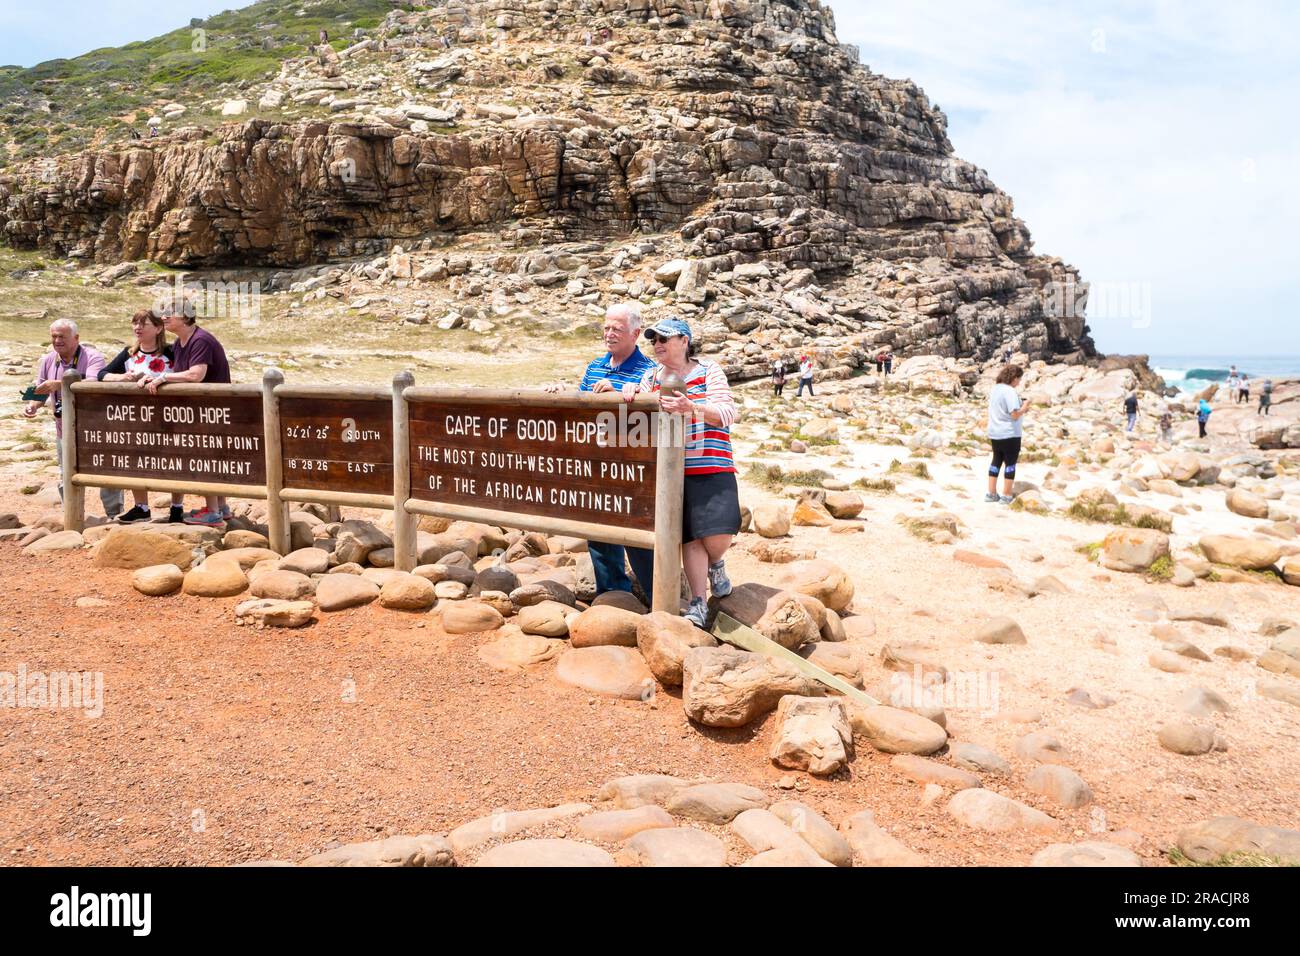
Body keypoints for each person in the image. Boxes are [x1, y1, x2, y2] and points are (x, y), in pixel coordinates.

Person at [622, 317, 739, 629]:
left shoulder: (708, 370)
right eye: (654, 340)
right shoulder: (651, 376)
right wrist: (631, 391)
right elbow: (635, 413)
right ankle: (699, 602)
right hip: (671, 473)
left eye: (665, 338)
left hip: (712, 463)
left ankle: (717, 562)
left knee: (717, 533)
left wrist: (693, 407)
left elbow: (727, 412)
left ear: (685, 341)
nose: (658, 345)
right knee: (691, 536)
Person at [546, 304, 655, 597]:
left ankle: (656, 596)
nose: (609, 334)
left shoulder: (649, 370)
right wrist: (566, 394)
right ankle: (614, 597)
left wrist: (620, 396)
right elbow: (583, 404)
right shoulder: (594, 366)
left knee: (640, 536)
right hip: (599, 462)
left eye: (616, 329)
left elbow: (657, 412)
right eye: (606, 328)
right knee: (600, 531)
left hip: (635, 468)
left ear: (634, 333)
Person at [21, 319, 124, 519]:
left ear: (76, 338)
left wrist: (58, 384)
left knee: (106, 472)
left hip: (95, 428)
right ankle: (71, 516)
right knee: (65, 474)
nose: (57, 340)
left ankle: (114, 515)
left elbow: (93, 383)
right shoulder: (48, 359)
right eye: (54, 336)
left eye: (62, 336)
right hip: (64, 429)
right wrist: (32, 405)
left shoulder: (92, 356)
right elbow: (40, 392)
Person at [145, 295, 233, 527]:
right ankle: (221, 507)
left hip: (212, 411)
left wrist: (162, 377)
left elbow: (196, 375)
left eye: (168, 313)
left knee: (206, 458)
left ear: (184, 316)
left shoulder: (200, 340)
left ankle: (213, 512)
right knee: (208, 457)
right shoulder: (180, 343)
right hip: (201, 410)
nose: (163, 317)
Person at [99, 309, 185, 523]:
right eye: (135, 323)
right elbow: (102, 374)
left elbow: (185, 374)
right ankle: (141, 506)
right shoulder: (128, 353)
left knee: (174, 460)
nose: (137, 328)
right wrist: (123, 377)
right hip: (136, 418)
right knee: (136, 458)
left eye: (143, 324)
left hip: (170, 416)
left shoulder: (172, 352)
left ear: (158, 328)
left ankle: (177, 507)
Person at [985, 364, 1030, 504]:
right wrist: (1025, 407)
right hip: (1010, 433)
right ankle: (1006, 495)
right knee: (1010, 463)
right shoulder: (1010, 391)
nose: (1020, 382)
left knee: (996, 460)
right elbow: (1015, 414)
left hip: (995, 432)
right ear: (1014, 378)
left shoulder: (995, 389)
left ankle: (991, 493)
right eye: (1019, 379)